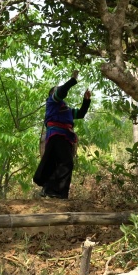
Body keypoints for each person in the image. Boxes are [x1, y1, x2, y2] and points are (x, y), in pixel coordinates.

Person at [33, 70, 91, 199]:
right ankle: (57, 192)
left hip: (64, 137)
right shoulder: (52, 102)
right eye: (57, 90)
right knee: (66, 162)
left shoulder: (67, 110)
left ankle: (50, 191)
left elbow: (80, 114)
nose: (59, 90)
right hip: (57, 135)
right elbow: (61, 92)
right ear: (52, 94)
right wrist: (72, 80)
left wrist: (86, 100)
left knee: (56, 163)